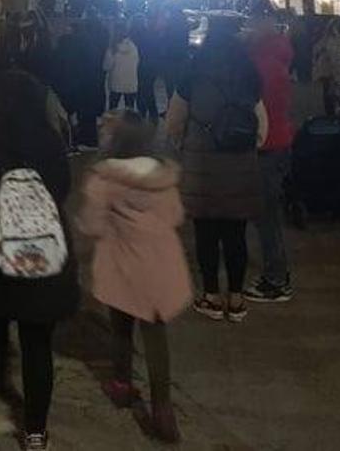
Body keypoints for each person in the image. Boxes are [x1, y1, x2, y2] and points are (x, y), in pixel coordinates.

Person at [0, 70, 78, 450]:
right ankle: (35, 430)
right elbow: (63, 187)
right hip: (43, 252)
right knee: (36, 343)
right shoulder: (49, 139)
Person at [77, 110, 189, 444]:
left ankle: (123, 384)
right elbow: (176, 215)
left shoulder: (106, 178)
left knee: (121, 328)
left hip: (123, 264)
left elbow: (93, 224)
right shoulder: (163, 177)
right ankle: (163, 408)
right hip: (160, 265)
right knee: (156, 337)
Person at [166, 20, 266, 323]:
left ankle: (210, 294)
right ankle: (236, 298)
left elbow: (174, 121)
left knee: (206, 234)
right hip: (239, 164)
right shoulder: (249, 74)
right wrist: (250, 148)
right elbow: (261, 123)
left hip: (203, 167)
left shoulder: (192, 73)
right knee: (236, 234)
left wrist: (185, 145)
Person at [243, 14, 295, 303]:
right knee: (266, 213)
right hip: (278, 139)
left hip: (266, 143)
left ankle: (276, 278)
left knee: (266, 215)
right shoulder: (277, 58)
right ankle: (274, 271)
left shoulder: (261, 67)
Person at [103, 28, 140, 112]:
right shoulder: (133, 46)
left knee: (113, 108)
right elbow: (137, 61)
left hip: (116, 83)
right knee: (130, 110)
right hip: (131, 82)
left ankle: (111, 124)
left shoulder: (112, 49)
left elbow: (106, 66)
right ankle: (129, 124)